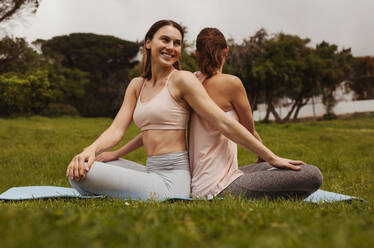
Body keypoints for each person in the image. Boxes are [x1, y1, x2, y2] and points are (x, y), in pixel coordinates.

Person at [67, 20, 307, 201]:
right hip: (151, 169)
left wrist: (271, 156)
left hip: (173, 179)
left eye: (177, 43)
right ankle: (128, 188)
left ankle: (142, 193)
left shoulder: (182, 80)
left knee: (82, 175)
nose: (171, 47)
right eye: (165, 40)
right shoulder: (136, 85)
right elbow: (117, 129)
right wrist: (92, 149)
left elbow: (224, 123)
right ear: (148, 43)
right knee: (82, 166)